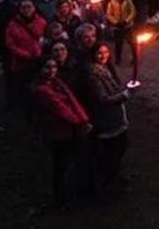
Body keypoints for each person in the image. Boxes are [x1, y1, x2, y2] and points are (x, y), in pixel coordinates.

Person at [31, 56, 92, 210]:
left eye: (53, 67)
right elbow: (59, 108)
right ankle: (61, 199)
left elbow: (72, 101)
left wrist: (83, 119)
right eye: (47, 67)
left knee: (71, 160)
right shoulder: (42, 90)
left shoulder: (57, 83)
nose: (51, 71)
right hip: (58, 132)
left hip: (71, 128)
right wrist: (79, 122)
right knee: (60, 164)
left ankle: (73, 191)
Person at [85, 44, 132, 192]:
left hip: (114, 115)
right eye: (99, 53)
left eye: (105, 52)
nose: (103, 55)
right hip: (106, 118)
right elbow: (103, 98)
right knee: (114, 150)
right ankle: (108, 182)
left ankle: (114, 176)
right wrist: (123, 95)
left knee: (120, 147)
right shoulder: (93, 74)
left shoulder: (104, 68)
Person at [4, 0, 47, 112]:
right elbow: (10, 44)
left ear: (34, 8)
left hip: (39, 59)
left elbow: (46, 38)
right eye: (24, 7)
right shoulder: (12, 26)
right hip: (22, 63)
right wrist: (24, 54)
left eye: (29, 7)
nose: (27, 10)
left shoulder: (41, 22)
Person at [105, 0, 137, 66]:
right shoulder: (111, 2)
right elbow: (109, 14)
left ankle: (135, 58)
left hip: (127, 26)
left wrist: (126, 20)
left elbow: (133, 11)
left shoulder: (128, 1)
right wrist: (115, 22)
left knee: (132, 42)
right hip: (117, 27)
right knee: (118, 44)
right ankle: (118, 59)